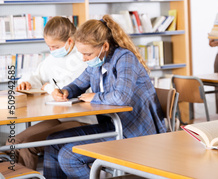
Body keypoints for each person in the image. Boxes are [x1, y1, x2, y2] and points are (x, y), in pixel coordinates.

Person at [43, 15, 167, 178]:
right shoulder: (97, 61)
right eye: (82, 54)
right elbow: (79, 84)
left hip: (135, 133)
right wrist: (66, 91)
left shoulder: (125, 58)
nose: (84, 59)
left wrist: (95, 97)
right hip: (114, 126)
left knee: (69, 156)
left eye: (87, 54)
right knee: (53, 143)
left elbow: (122, 97)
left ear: (105, 46)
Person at [7, 16, 91, 170]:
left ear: (70, 41)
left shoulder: (84, 57)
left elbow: (69, 88)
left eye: (55, 46)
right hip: (58, 118)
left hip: (82, 119)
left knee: (26, 145)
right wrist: (26, 82)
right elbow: (36, 76)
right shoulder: (51, 60)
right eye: (49, 47)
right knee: (12, 143)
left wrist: (48, 87)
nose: (52, 51)